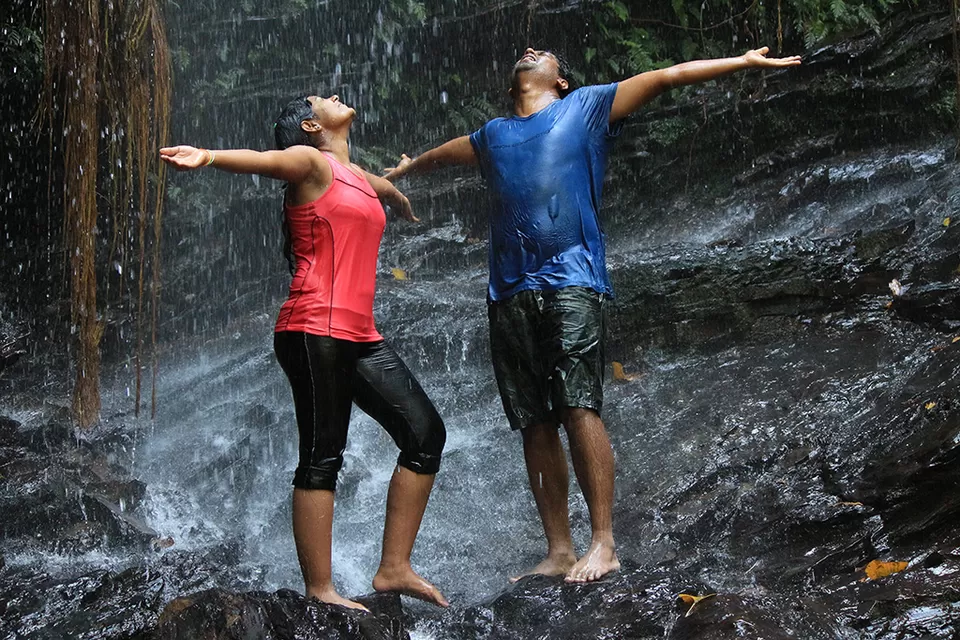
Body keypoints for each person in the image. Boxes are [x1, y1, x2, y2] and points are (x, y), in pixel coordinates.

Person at [385, 46, 801, 584]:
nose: (532, 51)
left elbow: (667, 73)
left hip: (571, 278)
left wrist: (743, 63)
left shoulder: (585, 107)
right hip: (508, 291)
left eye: (547, 54)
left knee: (578, 404)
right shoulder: (491, 136)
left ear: (560, 81)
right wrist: (409, 167)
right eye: (529, 51)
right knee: (534, 422)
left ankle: (603, 542)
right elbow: (445, 153)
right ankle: (559, 549)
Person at [160, 93, 449, 610]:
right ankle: (320, 589)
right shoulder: (310, 162)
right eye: (324, 98)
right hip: (313, 328)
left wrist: (396, 191)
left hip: (359, 334)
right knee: (323, 455)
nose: (337, 96)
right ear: (312, 125)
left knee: (426, 433)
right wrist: (208, 156)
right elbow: (271, 162)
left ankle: (394, 567)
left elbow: (375, 184)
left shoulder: (353, 174)